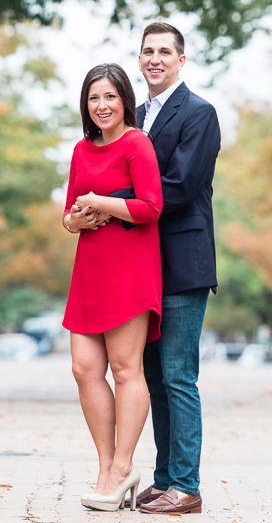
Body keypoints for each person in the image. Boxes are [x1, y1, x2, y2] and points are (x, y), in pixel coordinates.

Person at [127, 22, 221, 515]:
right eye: (148, 51)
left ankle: (187, 485)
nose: (155, 58)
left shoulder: (200, 114)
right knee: (153, 377)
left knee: (179, 375)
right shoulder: (134, 116)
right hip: (140, 267)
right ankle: (165, 479)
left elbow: (179, 186)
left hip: (183, 265)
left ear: (181, 60)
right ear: (139, 60)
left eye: (165, 51)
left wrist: (114, 202)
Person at [61, 63, 163, 512]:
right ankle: (106, 467)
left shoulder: (137, 144)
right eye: (93, 98)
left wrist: (103, 203)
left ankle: (123, 467)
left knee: (126, 371)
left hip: (129, 271)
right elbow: (68, 212)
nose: (101, 106)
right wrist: (76, 219)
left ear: (125, 100)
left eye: (109, 97)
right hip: (89, 271)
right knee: (85, 370)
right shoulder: (82, 150)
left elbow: (151, 206)